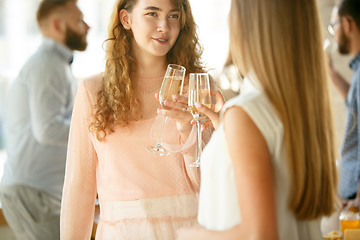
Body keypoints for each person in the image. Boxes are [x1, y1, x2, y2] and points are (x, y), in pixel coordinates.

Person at [177, 0, 339, 239]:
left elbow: (259, 234)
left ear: (249, 20)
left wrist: (191, 235)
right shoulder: (299, 108)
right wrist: (226, 128)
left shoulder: (246, 113)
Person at [60, 0, 209, 239]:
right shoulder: (94, 91)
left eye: (173, 16)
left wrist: (188, 130)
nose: (164, 26)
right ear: (126, 19)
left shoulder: (198, 87)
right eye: (152, 13)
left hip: (188, 231)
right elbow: (79, 188)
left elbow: (212, 184)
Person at [0, 0, 89, 239]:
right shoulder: (48, 64)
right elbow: (48, 130)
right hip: (35, 193)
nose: (87, 26)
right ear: (58, 25)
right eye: (79, 20)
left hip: (39, 192)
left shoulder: (55, 65)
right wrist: (95, 129)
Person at [328, 0, 360, 211]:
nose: (333, 33)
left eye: (334, 25)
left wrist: (358, 201)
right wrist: (330, 71)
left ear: (347, 23)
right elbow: (354, 101)